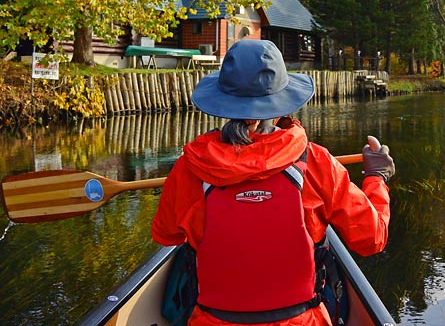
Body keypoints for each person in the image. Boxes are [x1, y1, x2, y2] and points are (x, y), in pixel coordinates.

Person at [152, 39, 395, 326]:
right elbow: (372, 238)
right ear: (281, 101)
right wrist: (376, 178)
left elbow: (167, 236)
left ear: (223, 102)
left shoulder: (190, 168)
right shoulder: (316, 162)